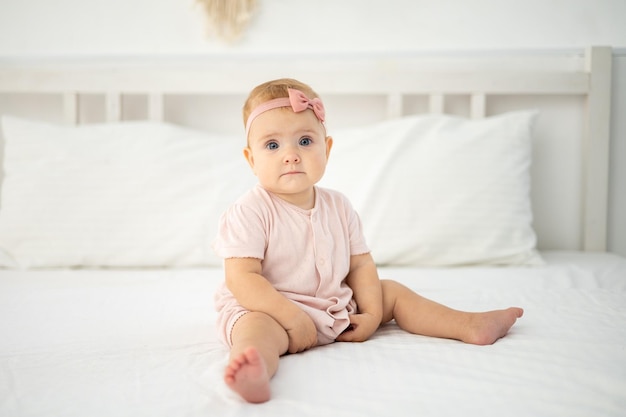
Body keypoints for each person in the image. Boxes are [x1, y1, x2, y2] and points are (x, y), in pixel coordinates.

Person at [212, 78, 524, 403]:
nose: (291, 155)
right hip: (270, 310)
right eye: (273, 145)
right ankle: (255, 368)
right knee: (255, 329)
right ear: (251, 159)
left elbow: (360, 263)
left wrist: (372, 313)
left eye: (305, 141)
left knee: (391, 291)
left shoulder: (338, 205)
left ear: (327, 148)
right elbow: (241, 278)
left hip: (334, 306)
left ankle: (468, 325)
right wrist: (291, 317)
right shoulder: (250, 210)